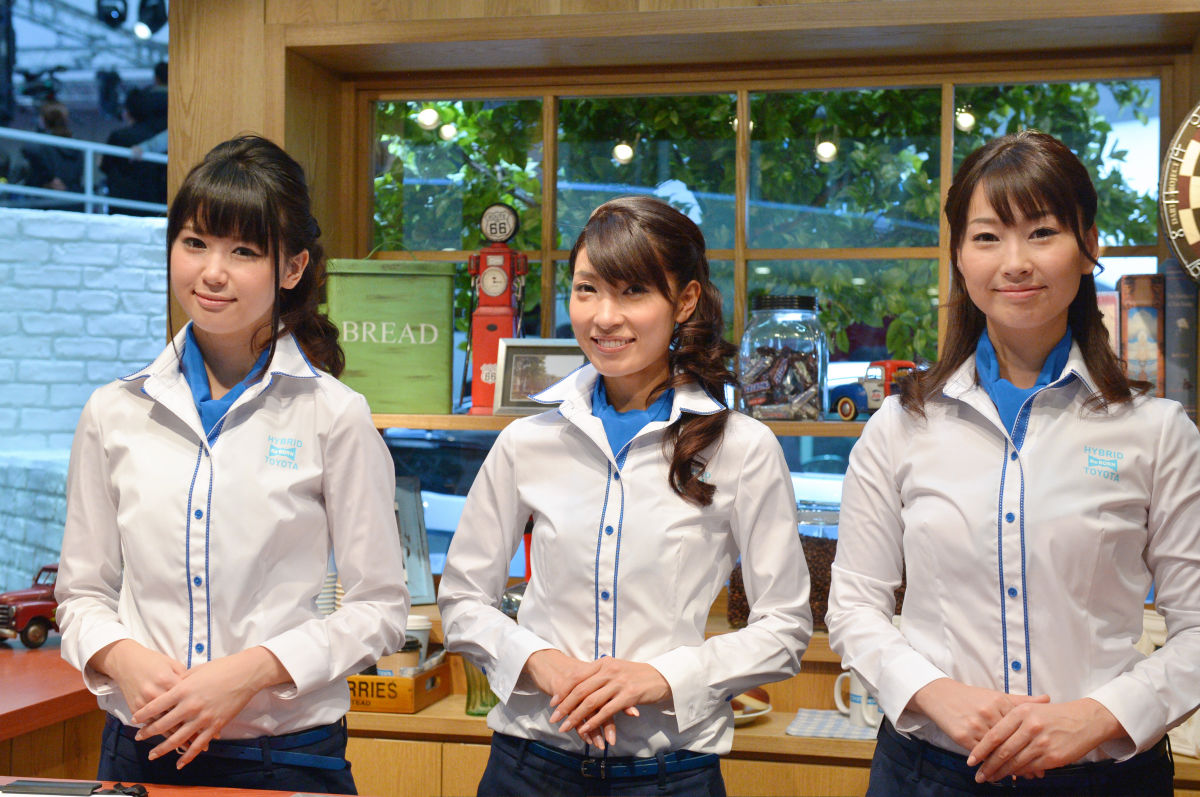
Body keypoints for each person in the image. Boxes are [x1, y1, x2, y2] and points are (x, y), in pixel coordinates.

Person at [826, 129, 1200, 796]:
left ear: (1089, 245)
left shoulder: (1157, 431)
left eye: (1043, 232)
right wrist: (935, 692)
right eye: (988, 236)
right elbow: (854, 607)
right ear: (959, 257)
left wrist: (1099, 715)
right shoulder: (900, 426)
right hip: (930, 772)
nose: (1016, 262)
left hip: (1105, 778)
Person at [56, 135, 410, 794]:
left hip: (286, 757)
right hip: (139, 749)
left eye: (243, 251)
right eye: (194, 243)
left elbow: (380, 608)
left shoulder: (333, 414)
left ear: (292, 267)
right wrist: (121, 656)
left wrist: (251, 671)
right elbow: (81, 595)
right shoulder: (114, 410)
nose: (212, 272)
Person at [438, 195, 812, 796]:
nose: (604, 317)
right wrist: (539, 662)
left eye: (633, 291)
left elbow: (785, 627)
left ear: (685, 300)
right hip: (528, 770)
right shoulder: (527, 441)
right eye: (587, 290)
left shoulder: (742, 446)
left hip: (670, 778)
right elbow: (461, 599)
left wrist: (659, 677)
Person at [101, 87, 167, 215]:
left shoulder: (118, 136)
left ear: (127, 112)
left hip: (122, 201)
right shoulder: (155, 138)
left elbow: (105, 166)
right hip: (152, 202)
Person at [21, 100, 83, 208]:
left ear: (43, 120)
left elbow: (35, 177)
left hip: (44, 203)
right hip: (73, 203)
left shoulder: (39, 145)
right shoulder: (77, 147)